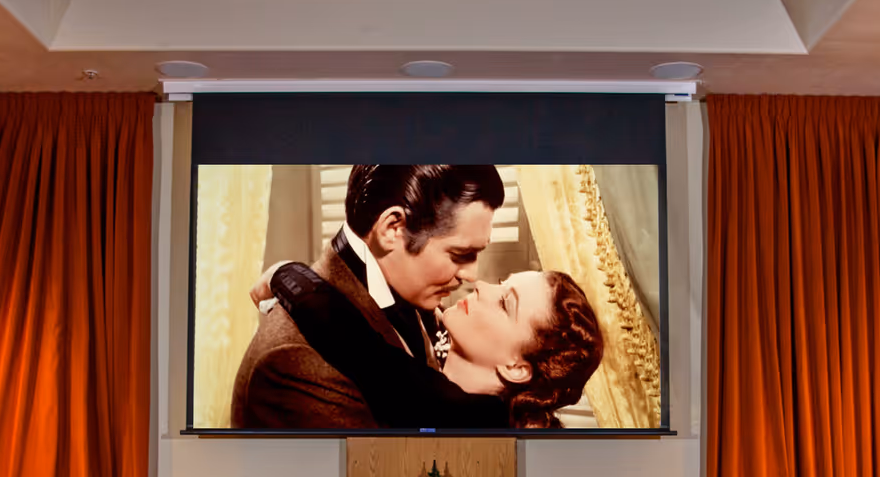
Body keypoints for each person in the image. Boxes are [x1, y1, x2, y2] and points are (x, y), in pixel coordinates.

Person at [229, 164, 504, 429]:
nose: (472, 275)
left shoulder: (413, 291)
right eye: (460, 254)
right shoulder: (299, 363)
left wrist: (287, 276)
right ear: (392, 228)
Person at [267, 261, 605, 429]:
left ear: (515, 367)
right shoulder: (427, 345)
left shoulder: (466, 417)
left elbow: (350, 338)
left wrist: (283, 273)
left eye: (505, 304)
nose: (482, 286)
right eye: (502, 284)